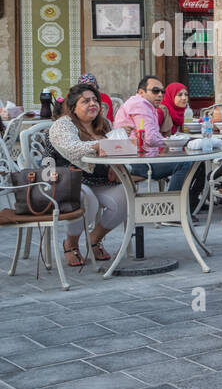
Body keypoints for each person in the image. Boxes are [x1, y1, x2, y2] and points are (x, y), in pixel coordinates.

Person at [48, 82, 129, 267]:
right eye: (86, 101)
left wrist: (118, 164)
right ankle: (71, 244)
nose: (92, 104)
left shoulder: (104, 124)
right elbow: (73, 149)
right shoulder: (63, 125)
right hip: (69, 180)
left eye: (95, 100)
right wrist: (99, 145)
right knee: (87, 199)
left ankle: (94, 239)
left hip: (100, 180)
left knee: (125, 197)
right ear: (73, 107)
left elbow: (119, 148)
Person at [113, 76, 188, 191]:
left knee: (189, 160)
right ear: (141, 92)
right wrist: (176, 143)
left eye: (162, 92)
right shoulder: (141, 104)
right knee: (185, 163)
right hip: (138, 162)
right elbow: (151, 138)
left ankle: (184, 202)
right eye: (155, 91)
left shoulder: (145, 105)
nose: (160, 95)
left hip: (139, 159)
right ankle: (173, 204)